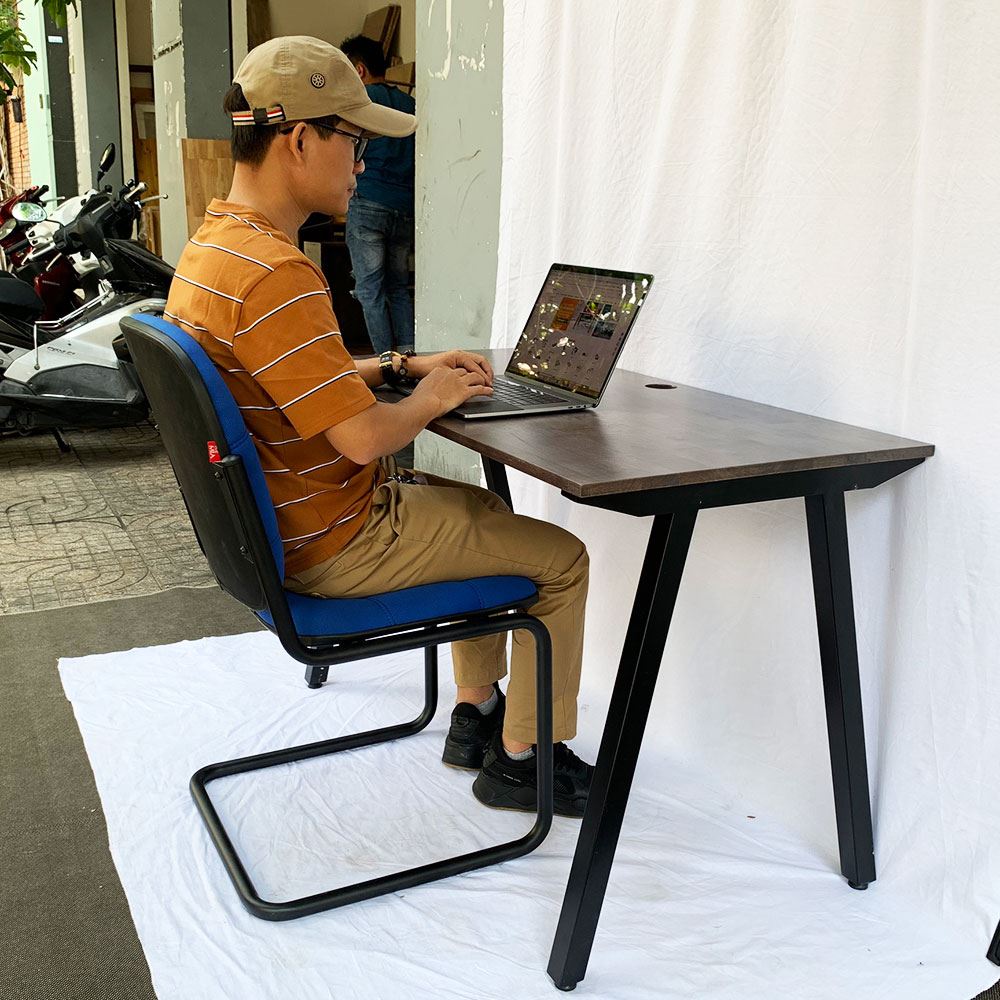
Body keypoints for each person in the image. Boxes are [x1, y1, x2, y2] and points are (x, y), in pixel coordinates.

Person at [164, 36, 593, 817]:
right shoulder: (281, 274)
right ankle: (525, 762)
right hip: (336, 545)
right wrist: (432, 397)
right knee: (561, 560)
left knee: (482, 512)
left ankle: (476, 713)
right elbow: (363, 439)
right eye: (354, 141)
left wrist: (400, 365)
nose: (362, 165)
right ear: (301, 140)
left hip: (281, 535)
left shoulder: (214, 252)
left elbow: (286, 377)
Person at [338, 34, 415, 356]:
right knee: (398, 286)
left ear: (359, 69)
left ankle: (386, 363)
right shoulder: (409, 103)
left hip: (368, 202)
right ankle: (409, 357)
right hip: (405, 207)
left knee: (370, 289)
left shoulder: (361, 103)